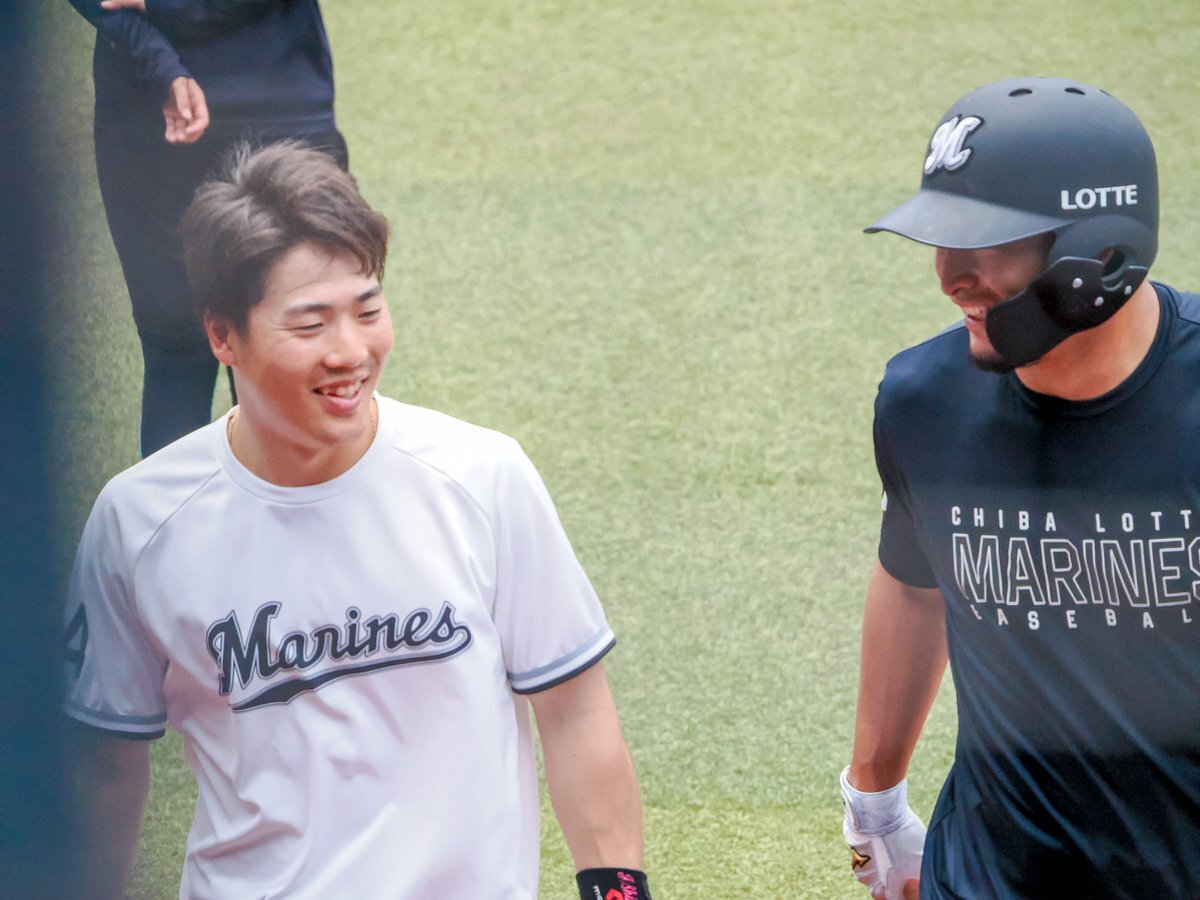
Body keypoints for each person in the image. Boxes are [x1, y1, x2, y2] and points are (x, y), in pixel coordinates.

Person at [62, 142, 651, 900]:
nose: (351, 351)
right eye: (310, 325)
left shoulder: (481, 477)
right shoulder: (140, 523)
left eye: (368, 311)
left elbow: (574, 710)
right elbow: (104, 766)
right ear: (223, 336)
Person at [840, 76, 1200, 899]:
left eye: (987, 245)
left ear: (1100, 250)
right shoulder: (924, 401)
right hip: (989, 875)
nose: (950, 278)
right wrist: (875, 804)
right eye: (942, 243)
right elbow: (915, 586)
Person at [66, 0, 348, 455]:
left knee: (288, 337)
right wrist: (158, 61)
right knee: (175, 341)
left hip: (265, 104)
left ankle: (289, 500)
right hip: (155, 108)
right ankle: (175, 504)